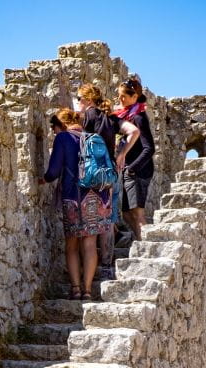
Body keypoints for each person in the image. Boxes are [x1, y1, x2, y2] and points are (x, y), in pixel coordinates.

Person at [40, 108, 113, 300]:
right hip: (98, 196)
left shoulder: (63, 138)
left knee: (71, 245)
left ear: (61, 125)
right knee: (90, 244)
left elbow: (53, 171)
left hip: (74, 196)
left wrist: (44, 179)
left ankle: (75, 289)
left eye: (54, 128)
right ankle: (88, 290)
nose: (54, 133)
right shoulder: (93, 137)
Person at [76, 84, 140, 279]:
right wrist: (121, 155)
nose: (77, 102)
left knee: (92, 221)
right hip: (111, 175)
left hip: (90, 177)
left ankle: (86, 269)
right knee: (108, 221)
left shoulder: (88, 116)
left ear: (87, 100)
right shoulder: (111, 117)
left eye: (79, 98)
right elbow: (134, 131)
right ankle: (106, 267)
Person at [111, 77, 155, 242]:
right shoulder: (129, 115)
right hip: (131, 170)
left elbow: (149, 148)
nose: (120, 100)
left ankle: (147, 248)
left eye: (124, 96)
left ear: (134, 97)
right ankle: (140, 241)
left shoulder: (138, 118)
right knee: (127, 213)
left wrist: (132, 168)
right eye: (119, 96)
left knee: (137, 212)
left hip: (138, 170)